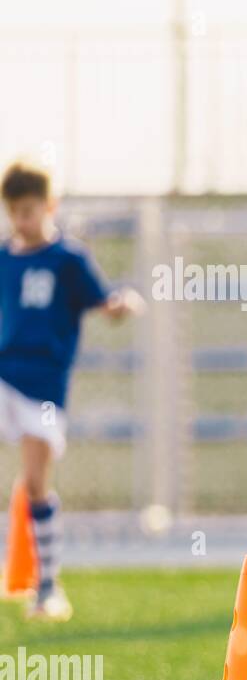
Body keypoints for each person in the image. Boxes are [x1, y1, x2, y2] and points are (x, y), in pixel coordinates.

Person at [0, 162, 143, 620]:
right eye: (14, 212)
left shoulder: (69, 260)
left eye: (29, 211)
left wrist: (121, 304)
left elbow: (105, 301)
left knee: (37, 482)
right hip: (4, 374)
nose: (22, 220)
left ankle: (47, 587)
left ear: (50, 206)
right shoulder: (3, 256)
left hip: (44, 385)